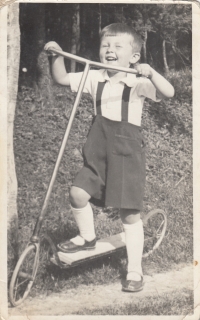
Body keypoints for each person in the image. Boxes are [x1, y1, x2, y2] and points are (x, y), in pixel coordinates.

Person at [44, 23, 174, 292]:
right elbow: (60, 79)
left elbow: (168, 92)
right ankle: (87, 236)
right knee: (77, 193)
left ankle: (135, 269)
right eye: (106, 45)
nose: (110, 50)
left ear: (134, 57)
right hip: (98, 148)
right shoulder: (95, 77)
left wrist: (151, 73)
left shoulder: (138, 81)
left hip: (127, 152)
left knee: (128, 215)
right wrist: (55, 55)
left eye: (117, 46)